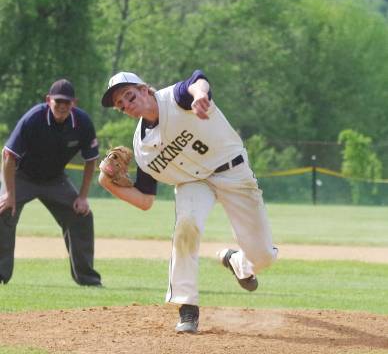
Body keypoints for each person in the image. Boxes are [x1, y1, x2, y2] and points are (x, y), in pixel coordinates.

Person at [99, 70, 277, 333]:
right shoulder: (143, 147)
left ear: (145, 89)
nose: (126, 104)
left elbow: (197, 80)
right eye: (120, 105)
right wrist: (107, 184)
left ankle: (239, 262)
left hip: (232, 171)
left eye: (128, 95)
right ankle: (187, 306)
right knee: (187, 225)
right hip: (193, 183)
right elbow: (145, 200)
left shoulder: (176, 98)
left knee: (263, 257)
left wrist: (201, 95)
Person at [0, 79, 102, 287]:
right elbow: (9, 156)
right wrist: (9, 194)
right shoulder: (33, 118)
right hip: (22, 176)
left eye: (67, 102)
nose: (62, 106)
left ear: (74, 102)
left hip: (55, 179)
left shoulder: (82, 122)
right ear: (49, 100)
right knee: (3, 211)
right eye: (58, 101)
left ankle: (88, 279)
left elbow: (91, 160)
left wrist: (82, 197)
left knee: (81, 215)